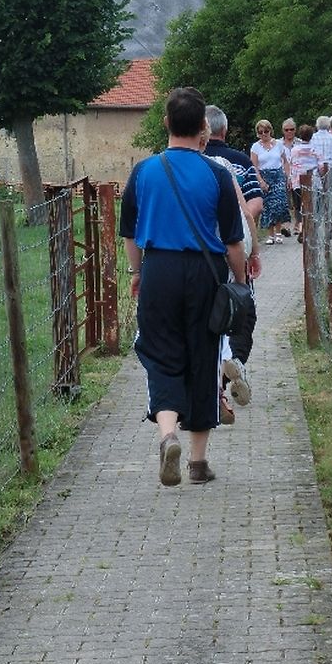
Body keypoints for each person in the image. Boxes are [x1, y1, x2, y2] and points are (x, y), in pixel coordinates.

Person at [120, 87, 247, 486]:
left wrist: (137, 273)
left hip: (158, 269)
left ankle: (167, 435)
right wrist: (241, 281)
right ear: (203, 127)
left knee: (160, 354)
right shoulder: (217, 175)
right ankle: (197, 462)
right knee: (203, 357)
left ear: (166, 123)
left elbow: (129, 234)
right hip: (204, 274)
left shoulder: (143, 172)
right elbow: (233, 242)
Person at [199, 124, 261, 423]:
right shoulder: (226, 165)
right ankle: (231, 363)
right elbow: (247, 211)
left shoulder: (167, 165)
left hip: (192, 260)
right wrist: (254, 253)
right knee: (240, 316)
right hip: (227, 254)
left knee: (203, 325)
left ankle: (216, 390)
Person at [205, 105, 263, 221]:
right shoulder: (241, 161)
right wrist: (238, 225)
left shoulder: (189, 160)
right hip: (234, 228)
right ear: (224, 131)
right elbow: (256, 203)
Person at [250, 119, 290, 244]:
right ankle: (270, 234)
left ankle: (278, 232)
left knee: (279, 204)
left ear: (270, 131)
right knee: (268, 206)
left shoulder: (279, 144)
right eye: (260, 132)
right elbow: (254, 166)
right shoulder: (255, 147)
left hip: (278, 175)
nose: (264, 134)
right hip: (264, 176)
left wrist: (287, 176)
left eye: (266, 131)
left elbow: (285, 161)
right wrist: (260, 181)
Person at [289, 124, 319, 241]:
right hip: (313, 181)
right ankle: (310, 229)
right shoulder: (315, 149)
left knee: (299, 206)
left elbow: (292, 164)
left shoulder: (294, 150)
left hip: (297, 181)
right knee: (311, 205)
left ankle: (301, 227)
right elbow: (321, 165)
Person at [278, 118, 298, 235]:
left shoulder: (300, 142)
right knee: (284, 202)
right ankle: (285, 226)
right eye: (286, 130)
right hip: (282, 174)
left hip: (297, 175)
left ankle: (297, 225)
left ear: (295, 130)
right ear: (283, 131)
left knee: (297, 202)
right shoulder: (277, 144)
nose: (289, 132)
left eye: (291, 129)